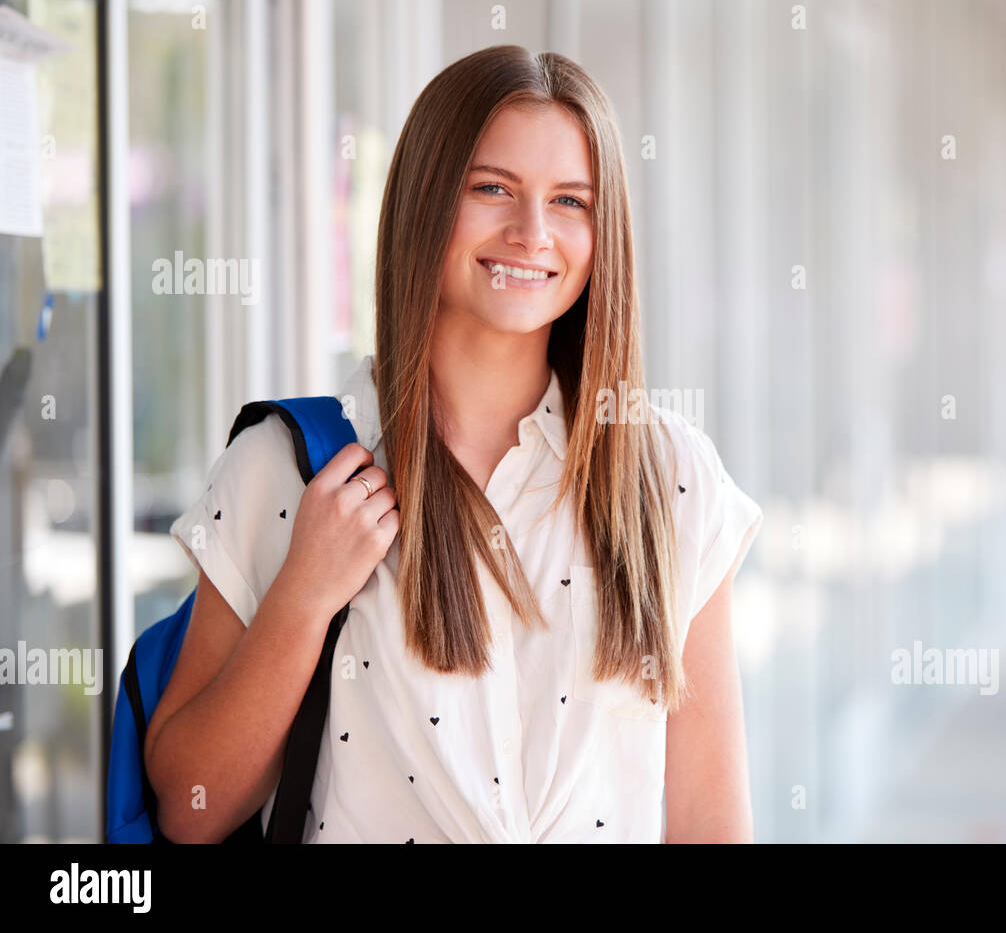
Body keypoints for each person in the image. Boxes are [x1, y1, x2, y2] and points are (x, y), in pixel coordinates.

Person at [145, 44, 763, 843]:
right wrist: (303, 597)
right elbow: (191, 809)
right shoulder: (290, 466)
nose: (531, 232)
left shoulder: (669, 477)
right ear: (425, 197)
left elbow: (712, 826)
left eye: (571, 201)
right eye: (492, 188)